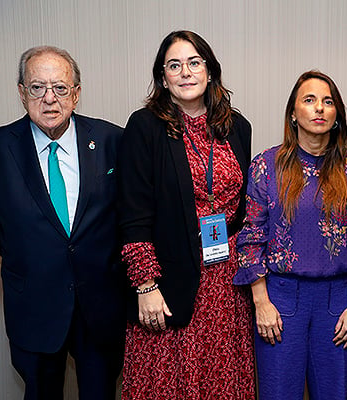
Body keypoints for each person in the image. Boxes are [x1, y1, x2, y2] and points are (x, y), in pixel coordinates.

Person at [0, 46, 126, 400]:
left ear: (77, 93)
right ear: (22, 93)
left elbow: (127, 215)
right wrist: (30, 251)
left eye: (60, 88)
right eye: (37, 87)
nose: (49, 99)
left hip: (100, 306)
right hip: (34, 307)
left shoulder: (114, 141)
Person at [117, 30, 255, 399]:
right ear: (163, 77)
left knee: (221, 380)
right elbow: (133, 215)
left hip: (226, 285)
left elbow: (242, 210)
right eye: (174, 65)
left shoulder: (237, 128)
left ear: (209, 71)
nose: (186, 72)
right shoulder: (145, 126)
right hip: (169, 282)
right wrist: (146, 286)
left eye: (194, 62)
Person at [234, 70, 347, 400]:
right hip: (280, 300)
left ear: (336, 116)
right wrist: (261, 303)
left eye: (328, 102)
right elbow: (251, 239)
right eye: (309, 100)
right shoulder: (266, 165)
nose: (319, 108)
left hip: (338, 302)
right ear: (293, 113)